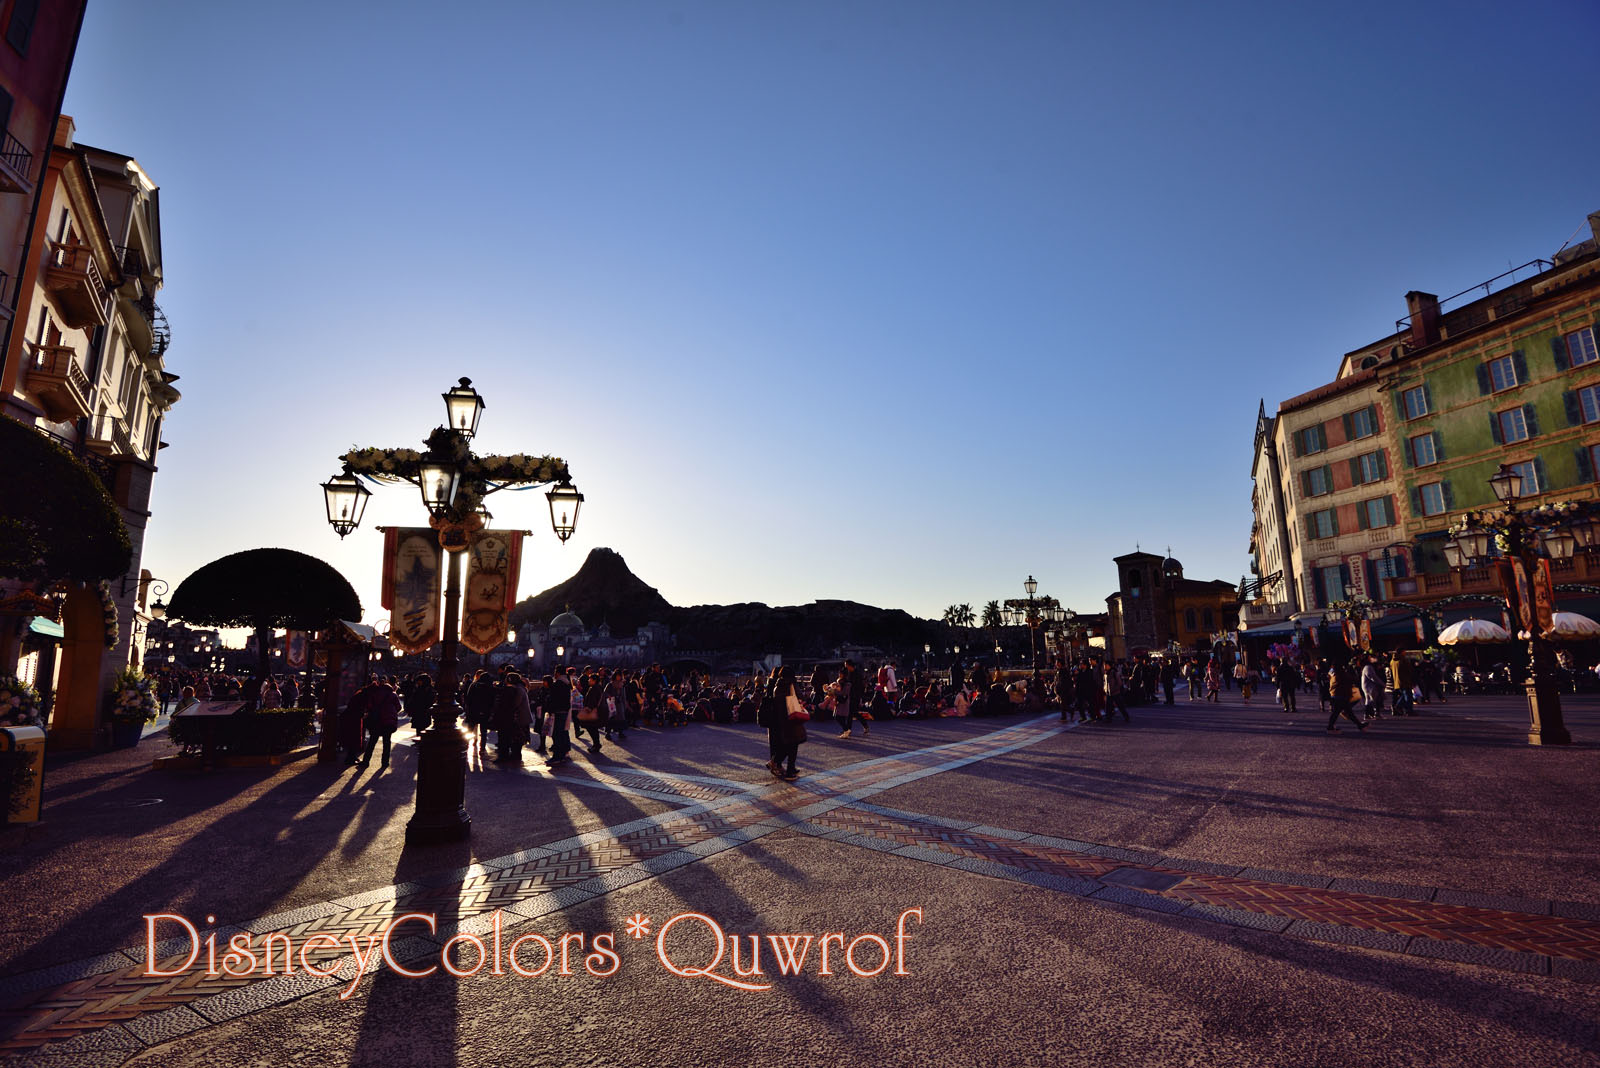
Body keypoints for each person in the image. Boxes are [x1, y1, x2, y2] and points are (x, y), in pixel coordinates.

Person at [358, 679, 402, 768]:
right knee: (387, 743)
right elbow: (399, 707)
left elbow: (369, 706)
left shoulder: (375, 694)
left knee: (372, 742)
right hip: (388, 721)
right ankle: (385, 763)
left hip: (377, 721)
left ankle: (366, 761)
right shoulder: (393, 695)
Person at [1325, 659, 1368, 734]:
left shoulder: (1332, 672)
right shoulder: (1341, 673)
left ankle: (1360, 725)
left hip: (1335, 694)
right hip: (1341, 695)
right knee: (1338, 713)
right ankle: (1330, 728)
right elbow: (1350, 680)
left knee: (1346, 712)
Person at [544, 669, 572, 766]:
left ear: (558, 673)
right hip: (564, 711)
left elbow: (552, 699)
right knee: (562, 733)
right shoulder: (567, 683)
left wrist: (550, 710)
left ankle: (557, 756)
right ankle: (563, 754)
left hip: (557, 712)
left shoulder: (558, 684)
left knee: (556, 734)